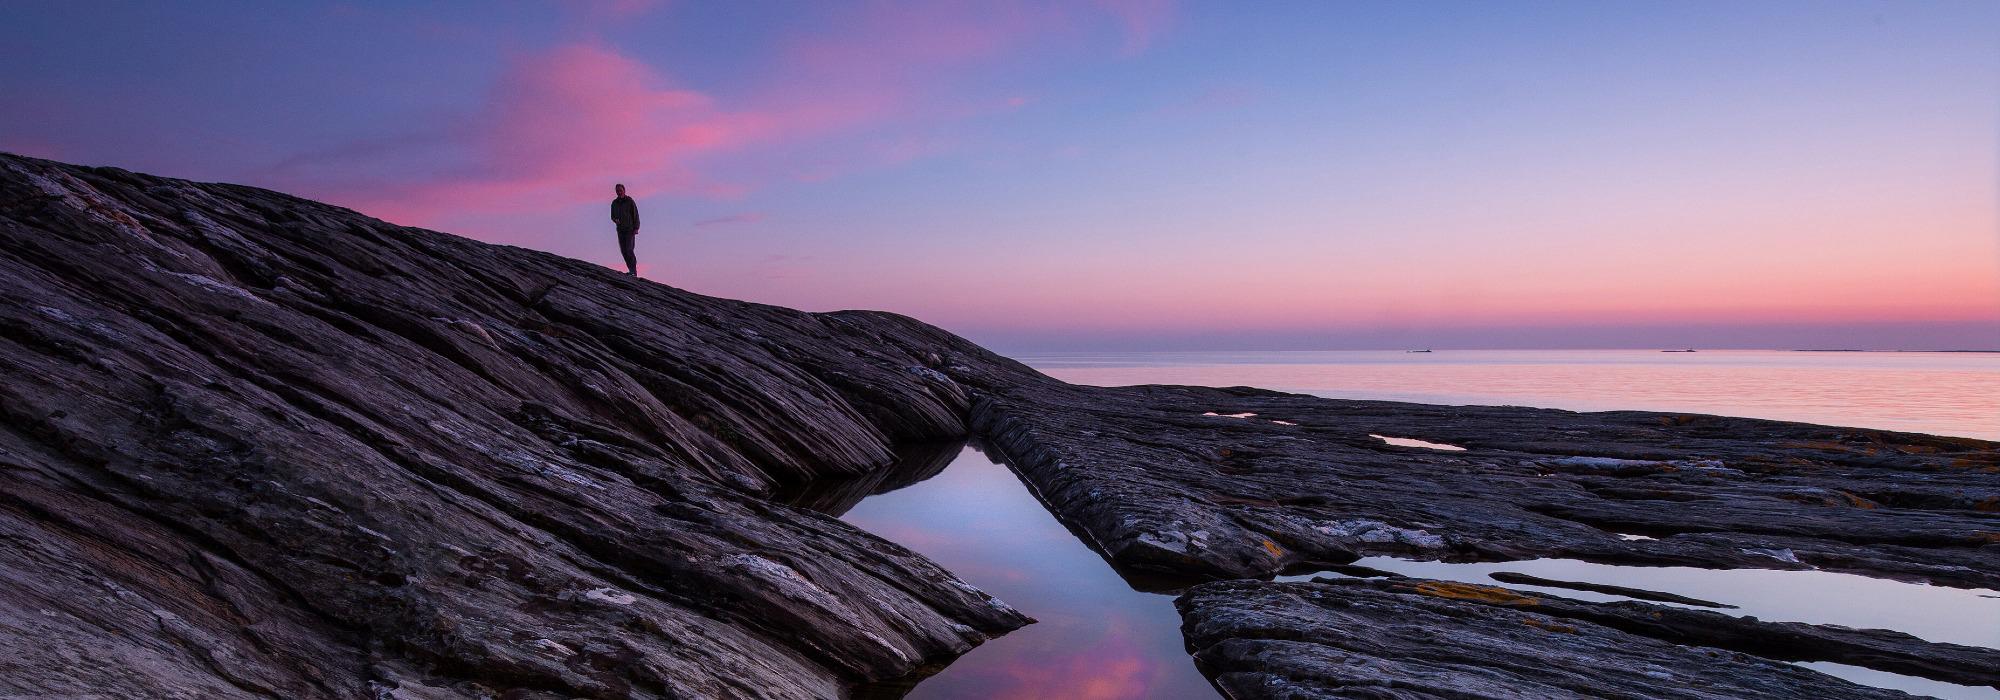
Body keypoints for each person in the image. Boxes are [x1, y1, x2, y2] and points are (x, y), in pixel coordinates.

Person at [610, 183, 641, 276]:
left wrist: (636, 227)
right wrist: (615, 220)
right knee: (623, 251)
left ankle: (633, 271)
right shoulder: (614, 203)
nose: (619, 192)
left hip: (629, 229)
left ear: (624, 190)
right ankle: (631, 270)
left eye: (620, 190)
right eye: (617, 190)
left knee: (629, 249)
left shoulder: (629, 201)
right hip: (620, 230)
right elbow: (612, 216)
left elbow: (635, 214)